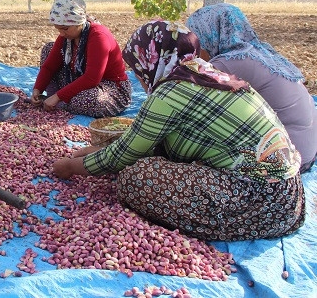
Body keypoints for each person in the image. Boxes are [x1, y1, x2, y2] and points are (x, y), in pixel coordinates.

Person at [52, 20, 305, 241]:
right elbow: (150, 140)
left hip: (262, 203)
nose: (138, 78)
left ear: (151, 60)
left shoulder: (171, 92)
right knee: (148, 160)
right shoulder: (208, 74)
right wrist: (97, 151)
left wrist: (71, 167)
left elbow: (124, 156)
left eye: (137, 69)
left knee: (136, 177)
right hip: (291, 194)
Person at [186, 3, 317, 173]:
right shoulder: (259, 53)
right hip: (307, 153)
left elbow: (185, 99)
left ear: (209, 35)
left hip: (286, 164)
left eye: (195, 41)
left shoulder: (229, 63)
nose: (194, 49)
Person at [30, 0, 132, 118]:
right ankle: (52, 99)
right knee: (48, 49)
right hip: (78, 79)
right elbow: (49, 67)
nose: (61, 34)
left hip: (109, 88)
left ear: (78, 22)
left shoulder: (98, 36)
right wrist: (37, 89)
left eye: (65, 29)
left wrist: (58, 96)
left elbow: (92, 78)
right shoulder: (66, 37)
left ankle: (55, 101)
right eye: (58, 29)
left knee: (89, 99)